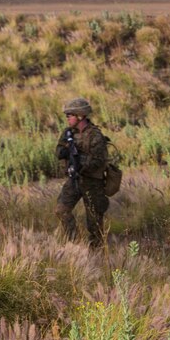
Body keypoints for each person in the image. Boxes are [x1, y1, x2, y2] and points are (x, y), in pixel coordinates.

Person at [56, 97, 110, 248]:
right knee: (61, 210)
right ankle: (74, 243)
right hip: (74, 180)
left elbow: (99, 160)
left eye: (70, 115)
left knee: (94, 223)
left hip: (92, 182)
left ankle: (97, 252)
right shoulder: (67, 133)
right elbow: (59, 151)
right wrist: (66, 152)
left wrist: (81, 164)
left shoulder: (95, 135)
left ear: (80, 116)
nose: (67, 118)